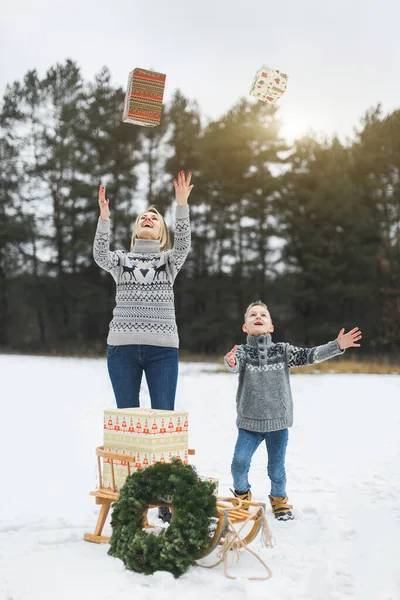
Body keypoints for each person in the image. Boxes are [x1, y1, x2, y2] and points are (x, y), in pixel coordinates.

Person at [224, 300, 362, 521]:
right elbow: (233, 363)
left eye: (263, 315)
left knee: (276, 470)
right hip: (249, 423)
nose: (258, 317)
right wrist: (230, 361)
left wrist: (337, 345)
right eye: (252, 315)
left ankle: (279, 500)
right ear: (245, 327)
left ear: (271, 326)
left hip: (278, 423)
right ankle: (242, 499)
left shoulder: (283, 351)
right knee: (239, 464)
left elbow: (310, 355)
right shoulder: (243, 352)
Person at [93, 171, 193, 410]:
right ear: (136, 230)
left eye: (154, 219)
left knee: (164, 418)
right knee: (127, 421)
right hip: (121, 348)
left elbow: (183, 244)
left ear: (162, 235)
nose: (148, 219)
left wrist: (181, 205)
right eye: (143, 218)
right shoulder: (122, 260)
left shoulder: (169, 261)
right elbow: (100, 256)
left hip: (163, 351)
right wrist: (104, 220)